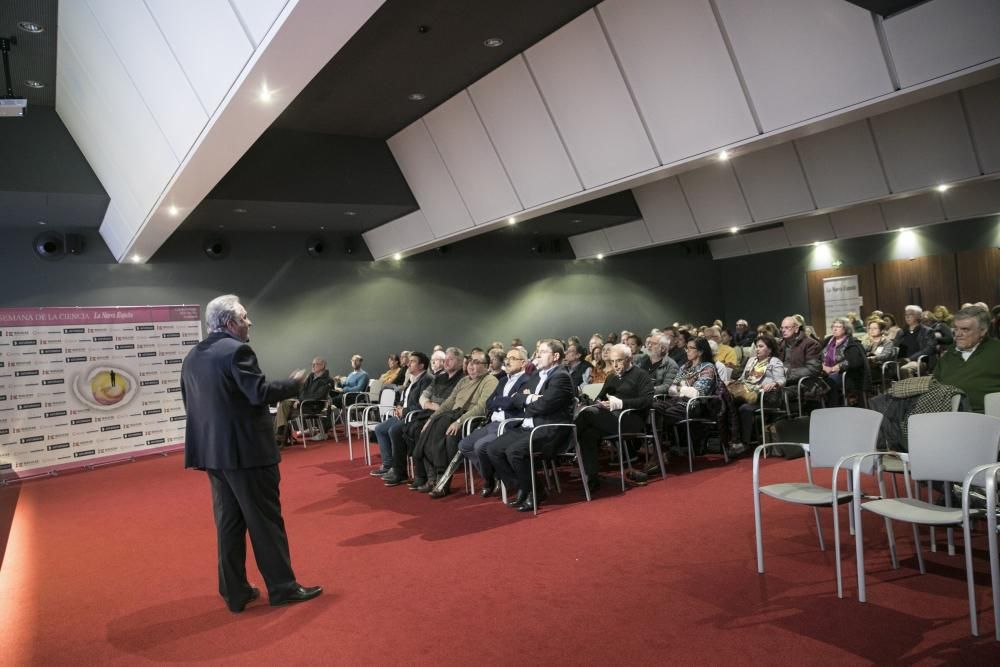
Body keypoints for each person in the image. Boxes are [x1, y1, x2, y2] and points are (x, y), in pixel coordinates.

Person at [181, 294, 321, 612]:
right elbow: (257, 392)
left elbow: (191, 405)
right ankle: (283, 588)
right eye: (245, 318)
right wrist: (292, 384)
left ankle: (235, 590)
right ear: (230, 323)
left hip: (213, 454)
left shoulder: (193, 355)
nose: (249, 323)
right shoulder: (237, 350)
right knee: (265, 522)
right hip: (247, 453)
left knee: (229, 523)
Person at [484, 339, 576, 512]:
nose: (537, 356)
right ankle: (524, 487)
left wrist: (528, 401)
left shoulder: (561, 377)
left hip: (550, 429)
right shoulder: (536, 375)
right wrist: (531, 398)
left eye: (542, 352)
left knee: (515, 452)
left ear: (555, 356)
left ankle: (533, 491)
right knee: (493, 449)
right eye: (537, 352)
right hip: (529, 426)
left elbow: (545, 406)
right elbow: (516, 398)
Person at [413, 349, 498, 497]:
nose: (472, 365)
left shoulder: (490, 381)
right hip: (450, 417)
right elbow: (448, 403)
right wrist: (431, 419)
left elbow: (482, 408)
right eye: (471, 362)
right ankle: (433, 478)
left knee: (448, 437)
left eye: (477, 363)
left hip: (470, 421)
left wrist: (459, 421)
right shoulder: (464, 380)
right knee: (426, 431)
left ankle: (443, 481)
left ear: (487, 366)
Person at [573, 343, 653, 495]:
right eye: (612, 362)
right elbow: (600, 398)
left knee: (587, 415)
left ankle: (565, 442)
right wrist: (594, 402)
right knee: (587, 433)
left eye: (619, 361)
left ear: (629, 359)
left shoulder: (641, 375)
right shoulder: (611, 378)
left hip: (630, 420)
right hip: (610, 419)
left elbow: (647, 401)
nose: (615, 365)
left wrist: (621, 403)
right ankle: (592, 478)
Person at [458, 347, 532, 493]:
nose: (507, 362)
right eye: (507, 359)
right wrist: (502, 401)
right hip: (493, 423)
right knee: (464, 445)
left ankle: (495, 481)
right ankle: (493, 476)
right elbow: (489, 402)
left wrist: (501, 401)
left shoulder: (527, 380)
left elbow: (514, 403)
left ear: (523, 363)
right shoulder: (503, 380)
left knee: (481, 446)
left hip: (509, 424)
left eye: (512, 359)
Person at [370, 352, 432, 478]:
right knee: (380, 428)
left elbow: (422, 404)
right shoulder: (412, 379)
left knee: (394, 430)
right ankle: (388, 465)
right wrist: (399, 406)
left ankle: (399, 471)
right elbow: (407, 398)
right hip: (404, 414)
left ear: (421, 365)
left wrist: (404, 411)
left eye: (413, 361)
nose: (409, 363)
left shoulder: (427, 380)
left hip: (415, 417)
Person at [933, 305, 1000, 413]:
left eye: (965, 329)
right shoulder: (949, 354)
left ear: (982, 331)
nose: (958, 334)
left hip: (987, 415)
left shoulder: (996, 351)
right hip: (948, 414)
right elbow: (935, 384)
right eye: (956, 328)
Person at [729, 335, 785, 448]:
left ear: (769, 349)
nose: (757, 349)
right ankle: (734, 440)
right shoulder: (751, 361)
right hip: (747, 393)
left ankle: (745, 443)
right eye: (756, 347)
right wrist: (731, 382)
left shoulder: (774, 362)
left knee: (744, 408)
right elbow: (743, 379)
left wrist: (774, 383)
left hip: (767, 396)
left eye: (761, 346)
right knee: (728, 404)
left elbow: (782, 379)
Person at [273, 357, 332, 446]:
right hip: (303, 404)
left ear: (322, 365)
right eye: (312, 364)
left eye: (315, 364)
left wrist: (300, 401)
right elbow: (302, 391)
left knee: (283, 409)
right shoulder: (310, 377)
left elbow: (318, 396)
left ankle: (280, 438)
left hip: (313, 406)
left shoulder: (327, 380)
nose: (312, 366)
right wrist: (297, 399)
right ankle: (280, 438)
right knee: (283, 404)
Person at [819, 317, 867, 406]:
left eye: (838, 326)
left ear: (846, 329)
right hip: (824, 371)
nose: (835, 328)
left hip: (844, 373)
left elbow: (854, 361)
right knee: (813, 382)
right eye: (833, 326)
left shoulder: (852, 343)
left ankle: (834, 408)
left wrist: (835, 368)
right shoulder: (827, 341)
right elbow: (818, 357)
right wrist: (822, 366)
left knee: (829, 382)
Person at [893, 305, 937, 379]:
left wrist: (910, 359)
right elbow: (895, 347)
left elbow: (930, 348)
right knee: (886, 368)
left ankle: (911, 390)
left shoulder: (927, 331)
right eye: (906, 315)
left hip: (919, 361)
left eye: (911, 314)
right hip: (901, 361)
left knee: (905, 369)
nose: (907, 317)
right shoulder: (901, 332)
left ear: (919, 316)